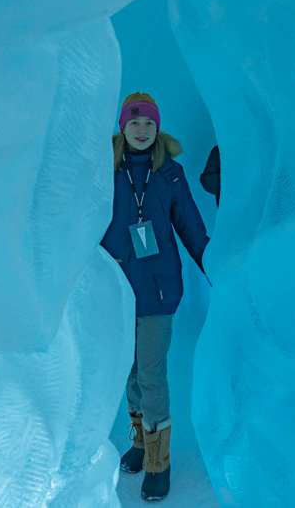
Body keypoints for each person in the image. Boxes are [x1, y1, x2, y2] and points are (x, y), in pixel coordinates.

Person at [101, 92, 209, 501]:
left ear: (157, 128)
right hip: (117, 291)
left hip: (158, 292)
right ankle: (141, 443)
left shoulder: (171, 175)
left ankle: (158, 464)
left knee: (151, 373)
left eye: (148, 123)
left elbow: (192, 227)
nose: (142, 130)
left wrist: (212, 264)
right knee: (129, 373)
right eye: (134, 123)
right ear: (123, 128)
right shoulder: (107, 172)